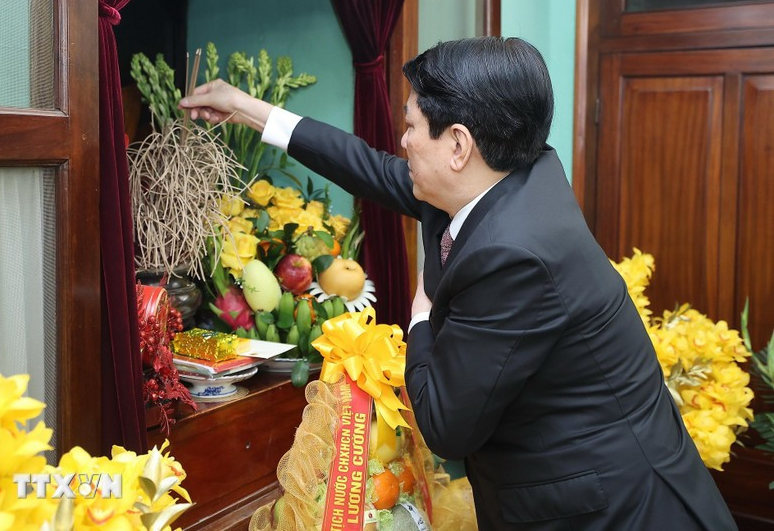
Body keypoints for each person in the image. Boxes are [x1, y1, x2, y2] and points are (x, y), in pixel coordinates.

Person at [180, 36, 736, 530]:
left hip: (609, 505)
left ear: (459, 144)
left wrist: (421, 315)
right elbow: (366, 166)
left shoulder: (513, 253)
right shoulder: (505, 176)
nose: (402, 141)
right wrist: (247, 110)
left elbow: (447, 426)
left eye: (412, 126)